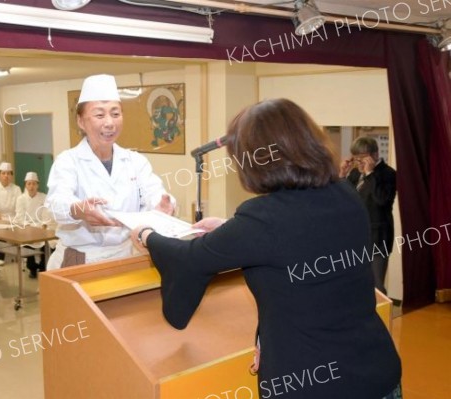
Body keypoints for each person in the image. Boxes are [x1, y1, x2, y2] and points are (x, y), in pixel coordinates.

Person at [131, 99, 402, 399]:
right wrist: (228, 228)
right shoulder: (345, 195)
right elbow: (298, 242)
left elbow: (190, 259)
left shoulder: (263, 218)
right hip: (376, 369)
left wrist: (146, 234)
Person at [44, 74, 174, 269]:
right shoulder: (68, 161)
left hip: (126, 254)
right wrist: (77, 209)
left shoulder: (135, 161)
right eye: (99, 115)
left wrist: (165, 206)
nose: (109, 123)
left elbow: (156, 194)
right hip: (79, 260)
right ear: (81, 121)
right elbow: (56, 202)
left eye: (115, 114)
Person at [339, 137, 397, 295]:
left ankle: (381, 318)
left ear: (375, 154)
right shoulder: (355, 174)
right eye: (356, 158)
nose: (359, 163)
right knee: (355, 282)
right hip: (355, 237)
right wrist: (342, 176)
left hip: (378, 237)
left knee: (377, 284)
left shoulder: (388, 174)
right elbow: (343, 199)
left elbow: (382, 200)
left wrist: (370, 173)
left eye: (362, 157)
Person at [15, 171, 55, 278]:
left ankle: (43, 268)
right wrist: (29, 228)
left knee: (48, 244)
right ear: (25, 185)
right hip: (27, 228)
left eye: (34, 183)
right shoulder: (21, 199)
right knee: (28, 245)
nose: (31, 186)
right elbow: (20, 216)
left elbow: (46, 215)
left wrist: (42, 226)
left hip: (41, 227)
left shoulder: (44, 197)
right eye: (29, 184)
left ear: (37, 185)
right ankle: (32, 268)